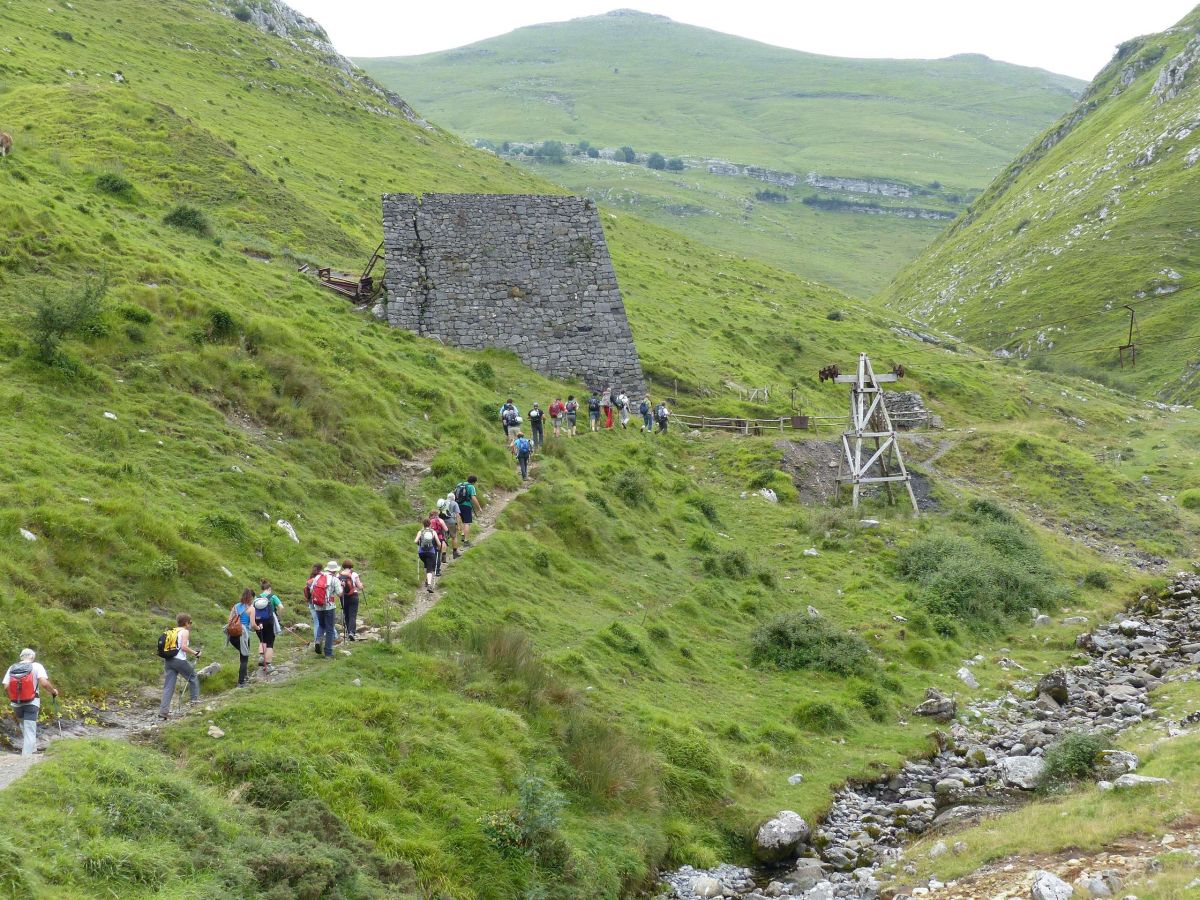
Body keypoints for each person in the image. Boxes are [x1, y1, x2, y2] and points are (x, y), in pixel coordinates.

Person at [4, 649, 58, 756]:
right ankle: (26, 758)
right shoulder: (37, 666)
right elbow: (44, 683)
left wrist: (13, 697)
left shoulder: (12, 667)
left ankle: (32, 749)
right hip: (31, 702)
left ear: (21, 657)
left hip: (16, 703)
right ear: (32, 657)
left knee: (24, 726)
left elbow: (6, 686)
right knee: (29, 730)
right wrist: (53, 691)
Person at [158, 614, 201, 719]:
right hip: (179, 660)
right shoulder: (185, 631)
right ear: (186, 623)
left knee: (168, 686)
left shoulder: (172, 631)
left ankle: (163, 712)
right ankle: (194, 702)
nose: (190, 625)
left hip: (168, 660)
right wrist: (195, 653)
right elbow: (184, 647)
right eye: (190, 622)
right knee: (193, 677)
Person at [310, 561, 342, 658]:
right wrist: (342, 587)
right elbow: (340, 593)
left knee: (321, 625)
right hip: (329, 607)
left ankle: (318, 640)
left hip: (317, 606)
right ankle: (328, 652)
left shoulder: (318, 577)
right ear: (335, 570)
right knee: (329, 629)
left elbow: (311, 590)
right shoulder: (334, 579)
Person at [227, 588, 256, 686]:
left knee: (242, 655)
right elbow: (252, 625)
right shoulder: (251, 609)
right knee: (244, 658)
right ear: (251, 597)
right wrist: (258, 627)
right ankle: (241, 682)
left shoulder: (236, 606)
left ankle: (244, 675)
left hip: (232, 636)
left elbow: (230, 620)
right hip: (243, 636)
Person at [254, 580, 283, 671]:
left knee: (262, 639)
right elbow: (281, 607)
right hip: (270, 621)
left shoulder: (257, 598)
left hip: (258, 621)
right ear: (269, 589)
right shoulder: (273, 596)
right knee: (270, 642)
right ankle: (269, 665)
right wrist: (279, 617)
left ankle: (261, 657)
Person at [415, 518, 443, 593]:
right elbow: (439, 543)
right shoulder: (433, 532)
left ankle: (427, 580)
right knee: (429, 568)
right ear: (430, 524)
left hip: (421, 552)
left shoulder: (420, 532)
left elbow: (415, 541)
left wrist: (419, 544)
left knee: (426, 565)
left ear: (423, 524)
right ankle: (429, 585)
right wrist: (438, 548)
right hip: (431, 552)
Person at [455, 475, 483, 545]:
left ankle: (463, 534)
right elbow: (473, 497)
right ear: (474, 482)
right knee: (467, 523)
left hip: (457, 505)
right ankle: (466, 541)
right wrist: (479, 507)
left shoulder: (459, 485)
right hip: (466, 506)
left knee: (462, 520)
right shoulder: (471, 486)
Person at [338, 563, 363, 641]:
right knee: (352, 615)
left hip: (343, 596)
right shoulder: (354, 574)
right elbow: (360, 586)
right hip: (353, 596)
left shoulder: (339, 575)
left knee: (346, 614)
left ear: (343, 566)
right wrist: (361, 585)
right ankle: (351, 632)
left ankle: (348, 631)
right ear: (351, 566)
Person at [441, 494, 463, 559]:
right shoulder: (454, 503)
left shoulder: (443, 502)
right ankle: (455, 553)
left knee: (444, 539)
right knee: (454, 537)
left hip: (443, 522)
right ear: (454, 498)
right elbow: (458, 515)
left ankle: (443, 556)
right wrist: (459, 525)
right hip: (451, 522)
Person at [427, 510, 448, 575]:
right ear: (437, 514)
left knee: (432, 553)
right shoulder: (440, 520)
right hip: (439, 538)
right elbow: (446, 529)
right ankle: (437, 571)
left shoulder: (429, 521)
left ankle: (432, 568)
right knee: (438, 554)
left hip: (431, 538)